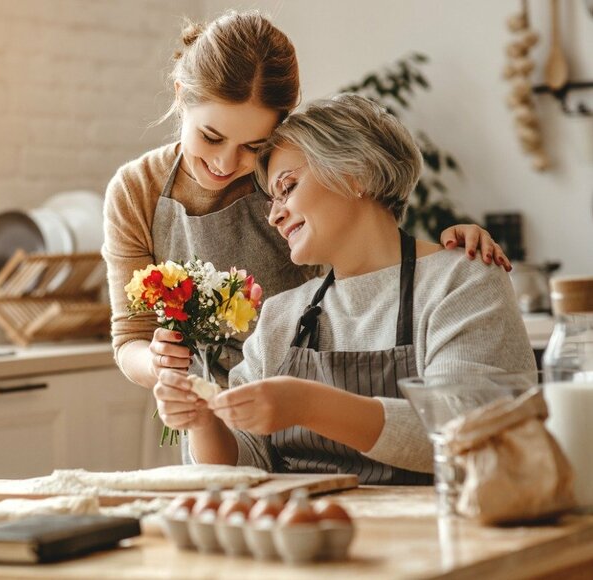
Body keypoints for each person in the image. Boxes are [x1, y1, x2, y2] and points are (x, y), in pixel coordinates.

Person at [103, 10, 510, 395]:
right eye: (210, 137)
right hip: (207, 413)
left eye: (253, 145)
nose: (225, 163)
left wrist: (443, 256)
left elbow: (367, 265)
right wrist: (160, 364)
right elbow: (129, 338)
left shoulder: (289, 174)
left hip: (305, 399)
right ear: (180, 96)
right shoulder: (136, 191)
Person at [152, 94, 537, 483]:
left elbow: (467, 431)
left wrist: (308, 404)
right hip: (311, 535)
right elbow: (244, 463)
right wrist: (203, 421)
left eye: (288, 187)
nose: (274, 214)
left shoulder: (461, 281)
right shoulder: (282, 315)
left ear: (356, 173)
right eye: (272, 199)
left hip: (438, 532)